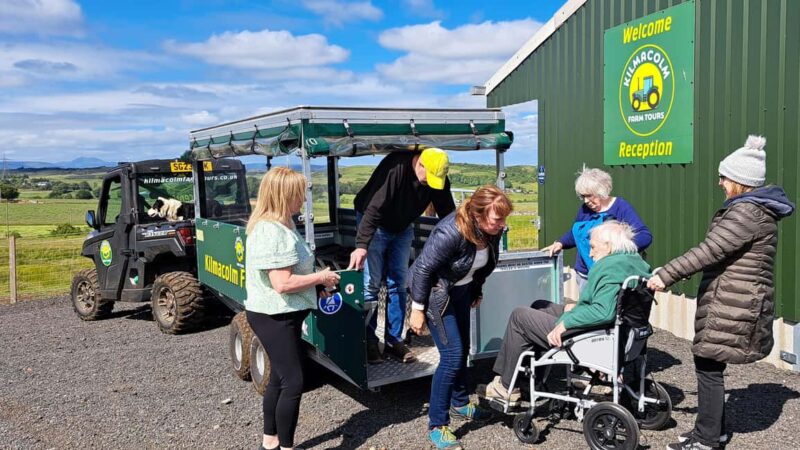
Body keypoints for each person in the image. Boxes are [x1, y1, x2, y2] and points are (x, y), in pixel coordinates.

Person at [647, 136, 795, 450]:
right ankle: (715, 431)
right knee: (709, 364)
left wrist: (665, 275)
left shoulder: (746, 214)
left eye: (724, 177)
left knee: (708, 365)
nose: (720, 183)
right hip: (734, 299)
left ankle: (706, 439)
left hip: (733, 303)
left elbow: (709, 251)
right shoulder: (753, 211)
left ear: (740, 181)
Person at [483, 221, 650, 405]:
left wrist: (566, 323)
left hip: (595, 334)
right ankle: (527, 381)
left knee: (519, 317)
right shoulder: (636, 262)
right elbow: (613, 303)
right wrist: (577, 307)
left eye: (593, 247)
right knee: (540, 305)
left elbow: (603, 312)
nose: (591, 253)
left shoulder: (609, 268)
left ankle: (506, 386)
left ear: (608, 246)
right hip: (619, 331)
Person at [407, 185, 513, 450]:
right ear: (477, 216)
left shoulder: (491, 232)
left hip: (461, 291)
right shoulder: (450, 231)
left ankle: (461, 403)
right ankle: (437, 425)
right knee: (452, 356)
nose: (502, 224)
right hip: (435, 294)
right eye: (496, 218)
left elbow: (480, 265)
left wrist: (476, 289)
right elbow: (422, 269)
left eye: (503, 218)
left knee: (463, 349)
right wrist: (417, 309)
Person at [244, 167, 340, 450]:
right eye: (299, 194)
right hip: (275, 315)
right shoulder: (273, 231)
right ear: (284, 195)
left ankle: (270, 441)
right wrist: (321, 278)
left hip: (278, 313)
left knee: (279, 377)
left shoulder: (281, 224)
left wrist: (315, 285)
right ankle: (286, 446)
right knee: (294, 381)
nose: (303, 200)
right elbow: (283, 283)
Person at [347, 148, 455, 364]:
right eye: (428, 178)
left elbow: (447, 212)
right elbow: (374, 208)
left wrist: (459, 239)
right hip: (375, 223)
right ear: (420, 164)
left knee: (399, 282)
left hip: (403, 226)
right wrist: (361, 245)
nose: (430, 184)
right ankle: (368, 341)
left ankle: (393, 341)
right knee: (371, 284)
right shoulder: (396, 167)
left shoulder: (437, 176)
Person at [543, 167, 652, 292]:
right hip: (585, 276)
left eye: (589, 196)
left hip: (610, 277)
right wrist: (560, 243)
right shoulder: (584, 210)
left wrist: (616, 249)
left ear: (602, 191)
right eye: (583, 196)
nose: (586, 201)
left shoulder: (621, 207)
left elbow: (645, 236)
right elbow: (577, 233)